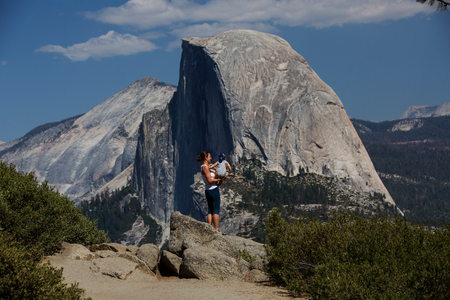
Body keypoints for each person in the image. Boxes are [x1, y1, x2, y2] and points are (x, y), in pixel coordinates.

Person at [197, 151, 227, 235]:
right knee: (216, 210)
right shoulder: (205, 168)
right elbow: (210, 180)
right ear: (205, 158)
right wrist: (219, 180)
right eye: (209, 156)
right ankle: (216, 230)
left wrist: (219, 177)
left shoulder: (206, 167)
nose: (211, 158)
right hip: (213, 190)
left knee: (210, 210)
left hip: (208, 190)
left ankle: (209, 228)